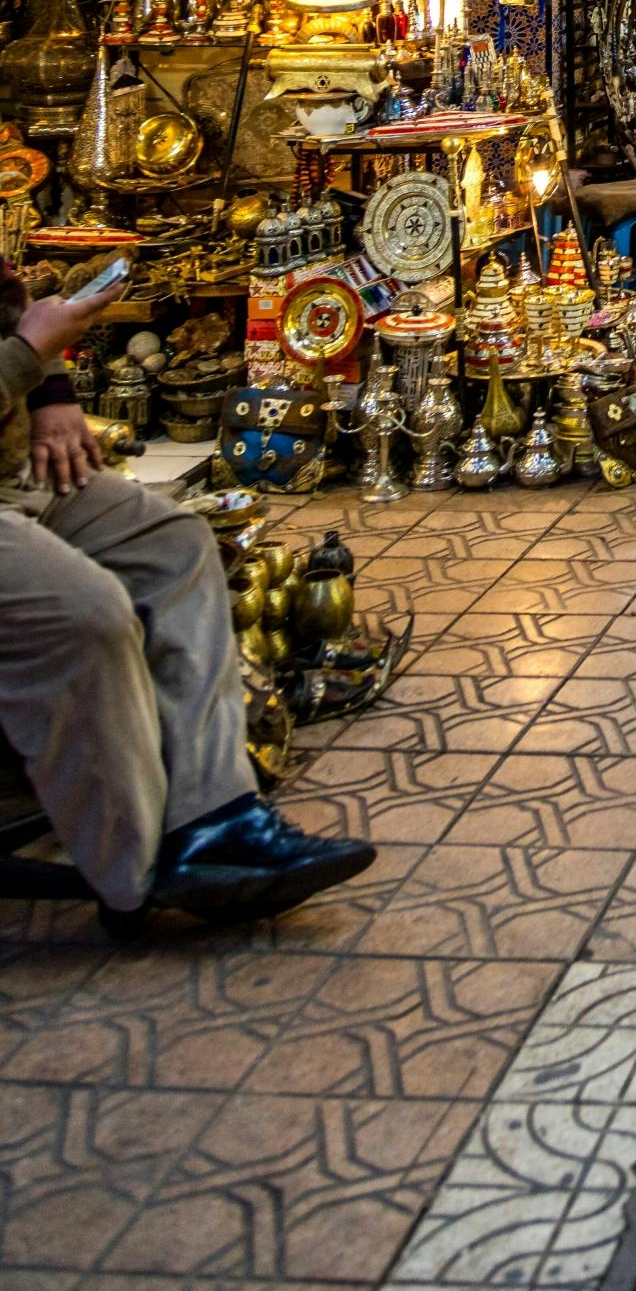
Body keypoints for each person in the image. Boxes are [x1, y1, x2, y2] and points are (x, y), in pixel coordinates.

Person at [0, 261, 376, 923]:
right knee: (87, 614)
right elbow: (22, 339)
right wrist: (27, 357)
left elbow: (9, 302)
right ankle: (137, 870)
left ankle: (214, 813)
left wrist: (51, 389)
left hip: (12, 466)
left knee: (175, 547)